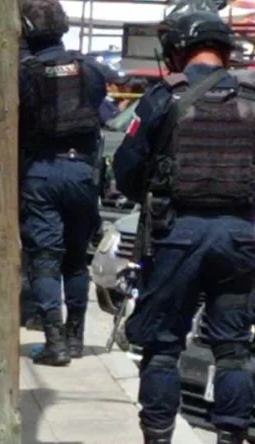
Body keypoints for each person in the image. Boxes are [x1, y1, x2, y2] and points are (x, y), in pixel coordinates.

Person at [113, 9, 255, 444]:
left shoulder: (164, 97)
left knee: (162, 348)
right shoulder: (253, 98)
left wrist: (153, 198)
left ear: (177, 50)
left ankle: (158, 437)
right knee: (233, 349)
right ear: (228, 51)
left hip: (177, 235)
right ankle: (230, 437)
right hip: (241, 237)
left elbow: (127, 168)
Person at [18, 0, 105, 366]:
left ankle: (54, 342)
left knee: (45, 259)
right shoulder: (89, 69)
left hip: (42, 171)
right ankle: (76, 337)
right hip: (83, 172)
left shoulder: (23, 72)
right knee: (75, 260)